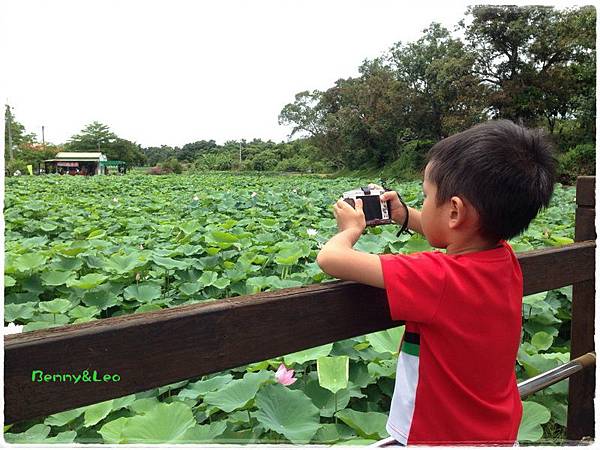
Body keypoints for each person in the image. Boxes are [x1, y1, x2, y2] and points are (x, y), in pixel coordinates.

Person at [316, 120, 556, 446]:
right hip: (496, 432)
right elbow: (454, 233)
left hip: (438, 435)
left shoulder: (437, 277)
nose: (422, 204)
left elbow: (331, 259)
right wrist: (404, 215)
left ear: (455, 211)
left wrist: (350, 230)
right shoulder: (504, 259)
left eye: (426, 196)